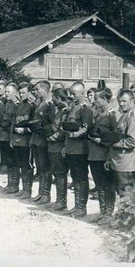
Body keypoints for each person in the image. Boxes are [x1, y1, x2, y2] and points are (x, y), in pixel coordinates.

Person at [61, 81, 93, 218]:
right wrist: (65, 145)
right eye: (70, 93)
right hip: (71, 148)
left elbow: (86, 128)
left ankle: (82, 208)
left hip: (80, 149)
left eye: (73, 94)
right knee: (75, 178)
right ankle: (77, 206)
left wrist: (74, 134)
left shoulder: (85, 108)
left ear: (82, 93)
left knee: (81, 178)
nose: (71, 96)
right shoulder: (73, 107)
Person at [87, 88, 119, 225]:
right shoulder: (98, 114)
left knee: (108, 185)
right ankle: (102, 211)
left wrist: (102, 142)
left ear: (106, 99)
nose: (95, 100)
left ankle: (108, 213)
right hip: (94, 154)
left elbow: (115, 137)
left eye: (98, 98)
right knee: (99, 185)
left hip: (104, 155)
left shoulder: (113, 115)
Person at [108, 89, 135, 195]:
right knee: (122, 193)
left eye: (124, 101)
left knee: (128, 195)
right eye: (119, 101)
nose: (121, 103)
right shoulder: (126, 114)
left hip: (128, 162)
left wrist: (114, 144)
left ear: (132, 100)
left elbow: (133, 141)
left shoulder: (133, 116)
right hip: (121, 161)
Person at [46, 88, 71, 210]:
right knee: (56, 174)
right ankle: (59, 200)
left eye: (53, 97)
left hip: (58, 147)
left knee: (60, 174)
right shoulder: (60, 111)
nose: (52, 99)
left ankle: (61, 202)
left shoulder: (66, 112)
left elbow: (63, 130)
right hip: (53, 147)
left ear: (58, 98)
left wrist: (53, 137)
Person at [31, 81, 56, 204]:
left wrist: (42, 129)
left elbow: (52, 124)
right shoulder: (39, 103)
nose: (35, 92)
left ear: (45, 90)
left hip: (44, 141)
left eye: (37, 90)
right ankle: (41, 192)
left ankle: (46, 194)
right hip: (36, 140)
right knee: (40, 168)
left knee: (46, 168)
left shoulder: (50, 105)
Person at [11, 82, 37, 199]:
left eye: (24, 93)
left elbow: (35, 125)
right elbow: (13, 123)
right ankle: (23, 188)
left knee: (28, 166)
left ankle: (28, 190)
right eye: (20, 93)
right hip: (17, 140)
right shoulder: (20, 105)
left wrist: (25, 130)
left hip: (27, 141)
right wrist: (12, 139)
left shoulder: (33, 106)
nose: (21, 95)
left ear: (30, 92)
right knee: (20, 165)